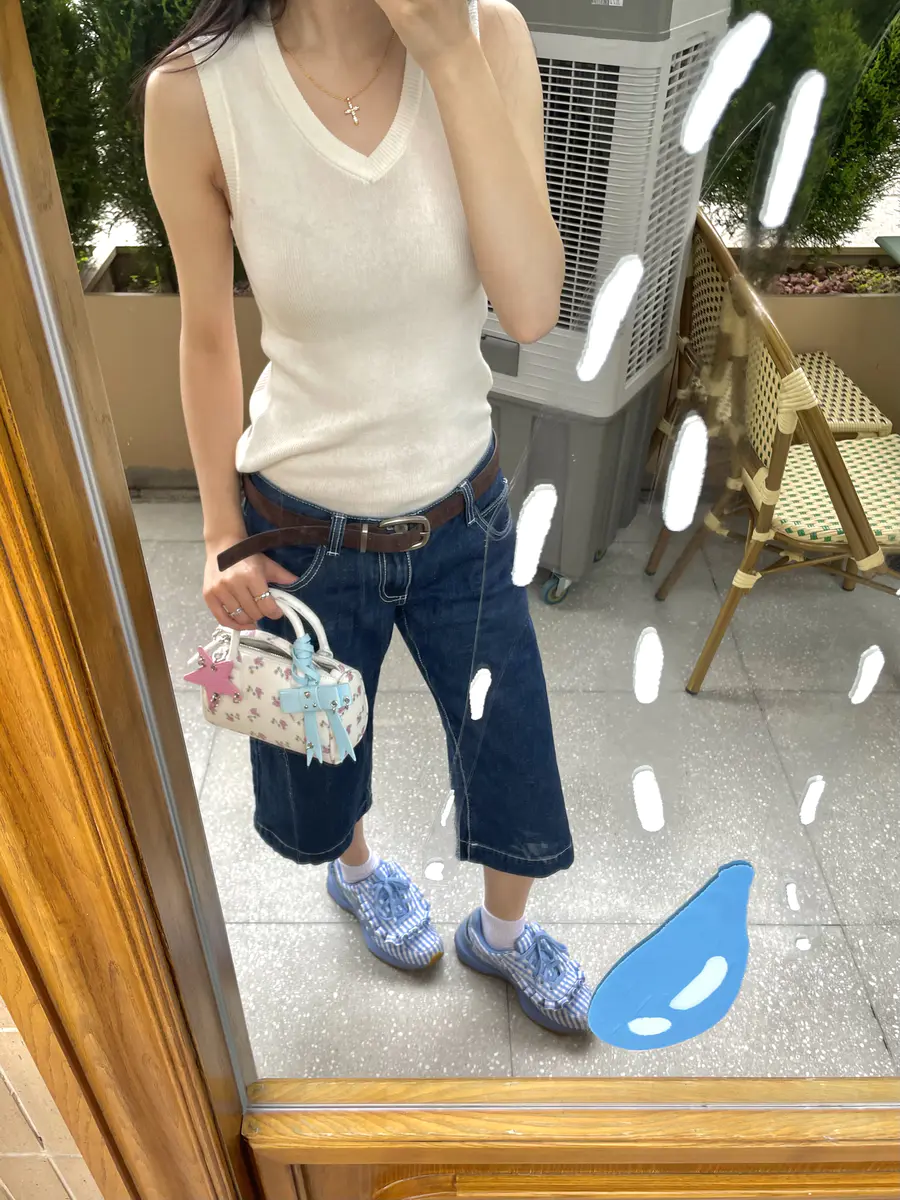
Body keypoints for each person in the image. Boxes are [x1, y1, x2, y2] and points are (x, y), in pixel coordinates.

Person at [142, 0, 590, 1033]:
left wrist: (448, 53)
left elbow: (530, 306)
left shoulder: (489, 36)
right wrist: (217, 530)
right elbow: (206, 334)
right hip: (300, 531)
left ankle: (502, 937)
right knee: (319, 763)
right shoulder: (195, 93)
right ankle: (357, 874)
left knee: (513, 750)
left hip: (463, 510)